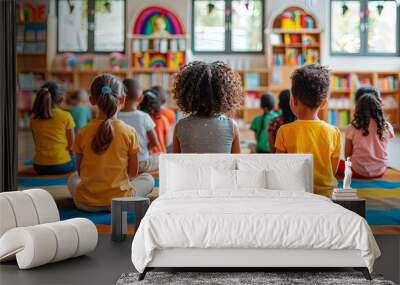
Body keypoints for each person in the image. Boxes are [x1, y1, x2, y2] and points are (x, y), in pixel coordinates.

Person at [67, 74, 154, 212]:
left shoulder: (83, 132)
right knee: (148, 178)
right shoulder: (129, 131)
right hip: (121, 202)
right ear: (122, 99)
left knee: (72, 178)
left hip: (86, 203)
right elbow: (132, 173)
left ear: (91, 100)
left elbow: (80, 172)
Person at [275, 64, 341, 197]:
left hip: (295, 194)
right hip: (327, 195)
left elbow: (279, 168)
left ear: (293, 100)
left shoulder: (284, 131)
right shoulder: (334, 132)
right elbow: (332, 170)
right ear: (324, 104)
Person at [172, 61, 243, 153]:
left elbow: (176, 163)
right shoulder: (231, 126)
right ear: (223, 95)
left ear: (188, 94)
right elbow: (236, 163)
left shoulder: (180, 126)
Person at [338, 91, 394, 178]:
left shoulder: (352, 127)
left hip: (357, 171)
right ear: (378, 108)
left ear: (358, 109)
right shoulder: (386, 126)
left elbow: (347, 155)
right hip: (380, 171)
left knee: (334, 163)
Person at [30, 81, 76, 175]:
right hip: (63, 165)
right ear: (61, 99)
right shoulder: (66, 116)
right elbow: (72, 147)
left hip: (39, 167)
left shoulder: (33, 118)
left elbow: (36, 142)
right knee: (79, 159)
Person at [118, 78, 160, 173]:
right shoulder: (144, 117)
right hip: (141, 163)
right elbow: (155, 142)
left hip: (122, 164)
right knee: (160, 155)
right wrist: (146, 148)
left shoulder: (115, 117)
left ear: (120, 98)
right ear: (140, 98)